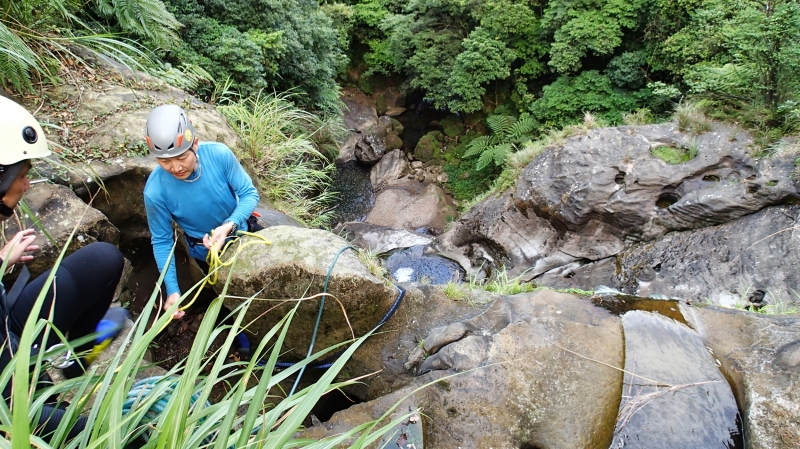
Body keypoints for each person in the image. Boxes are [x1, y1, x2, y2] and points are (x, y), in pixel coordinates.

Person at [0, 96, 126, 439]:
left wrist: (2, 262)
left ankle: (75, 360)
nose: (27, 186)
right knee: (114, 433)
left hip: (7, 328)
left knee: (103, 259)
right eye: (22, 175)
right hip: (3, 371)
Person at [143, 105, 261, 319]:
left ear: (195, 144)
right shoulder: (155, 191)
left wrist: (230, 224)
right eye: (164, 161)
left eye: (181, 157)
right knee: (230, 298)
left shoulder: (218, 154)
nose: (175, 167)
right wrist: (172, 289)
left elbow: (248, 194)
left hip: (243, 230)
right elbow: (162, 240)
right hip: (205, 253)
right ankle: (242, 332)